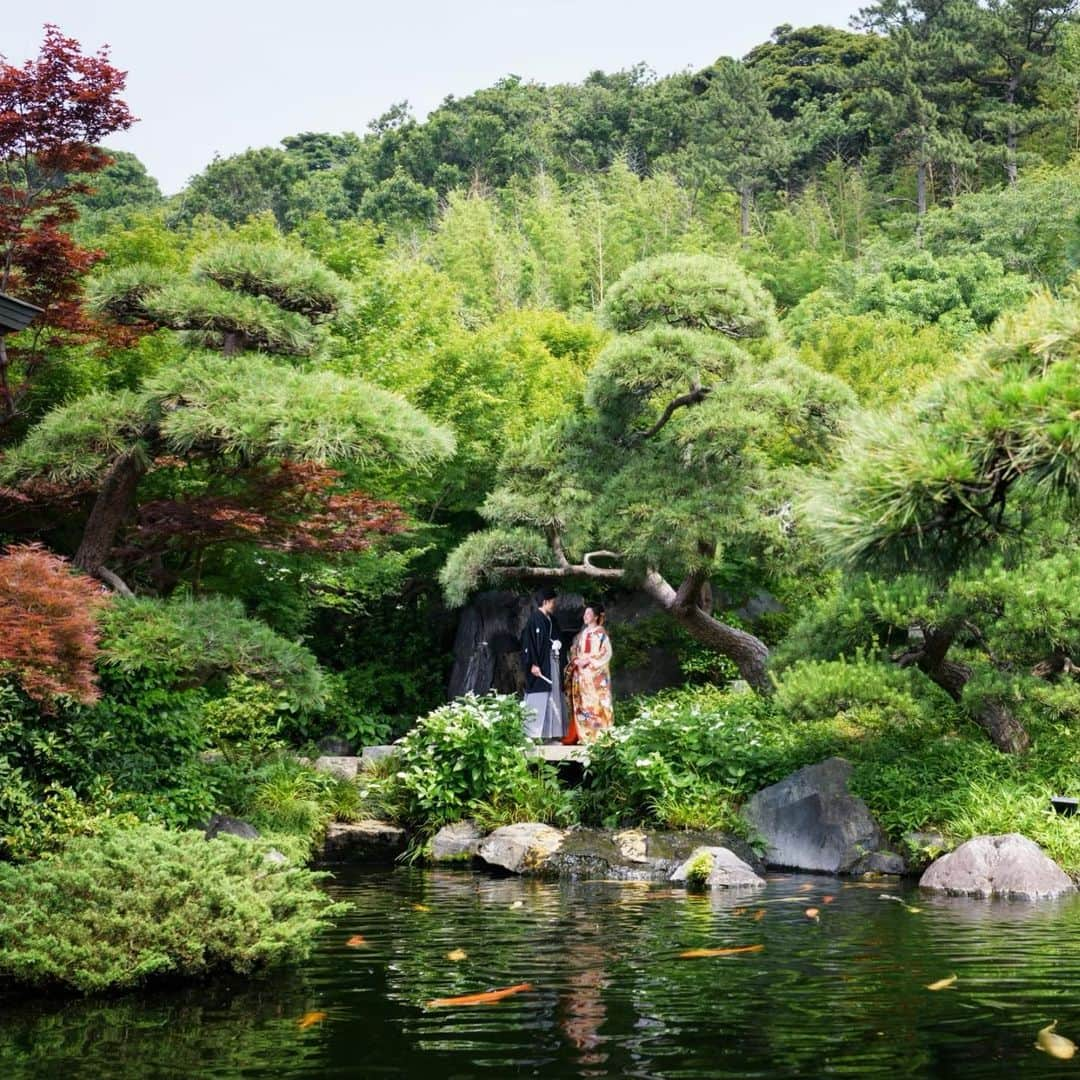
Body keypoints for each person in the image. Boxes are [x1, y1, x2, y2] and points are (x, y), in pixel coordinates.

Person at [562, 604, 613, 745]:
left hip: (595, 677)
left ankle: (599, 735)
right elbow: (573, 650)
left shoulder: (601, 634)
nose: (585, 616)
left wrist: (589, 661)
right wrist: (576, 660)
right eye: (585, 614)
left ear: (596, 616)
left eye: (588, 613)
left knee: (597, 704)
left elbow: (606, 653)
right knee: (583, 704)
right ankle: (584, 735)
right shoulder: (582, 634)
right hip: (582, 676)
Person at [521, 587, 562, 740]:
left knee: (552, 697)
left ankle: (549, 735)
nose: (554, 605)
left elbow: (557, 638)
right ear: (545, 602)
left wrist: (558, 644)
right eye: (552, 602)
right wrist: (532, 664)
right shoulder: (534, 620)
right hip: (539, 667)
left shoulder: (551, 620)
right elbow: (528, 643)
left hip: (551, 663)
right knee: (538, 697)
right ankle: (532, 735)